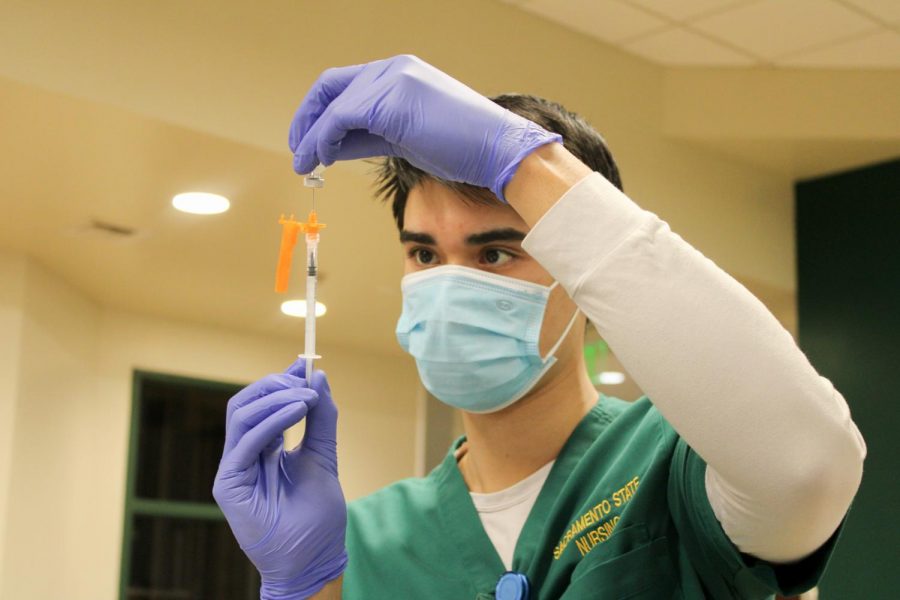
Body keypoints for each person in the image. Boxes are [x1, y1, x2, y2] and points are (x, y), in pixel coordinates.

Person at [212, 55, 866, 599]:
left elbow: (809, 468)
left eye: (495, 254)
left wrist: (521, 163)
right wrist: (305, 589)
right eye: (425, 255)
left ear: (580, 272)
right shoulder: (366, 541)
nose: (449, 285)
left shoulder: (682, 465)